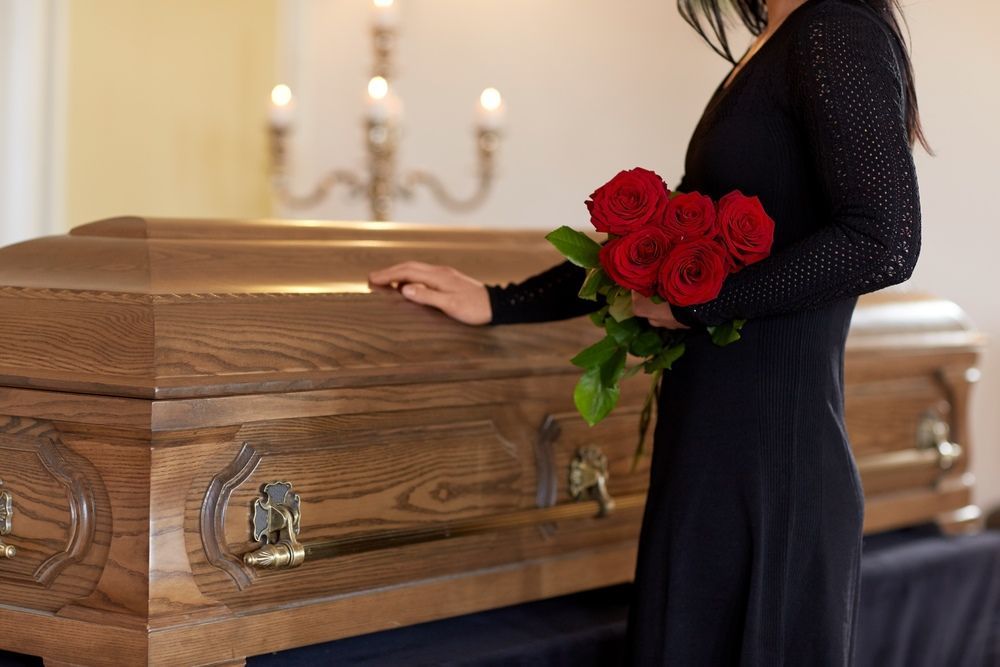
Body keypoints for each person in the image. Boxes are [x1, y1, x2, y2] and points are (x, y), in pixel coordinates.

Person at [369, 0, 925, 663]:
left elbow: (884, 239)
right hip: (709, 446)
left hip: (773, 463)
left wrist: (703, 304)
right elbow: (657, 245)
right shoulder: (774, 39)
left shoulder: (833, 28)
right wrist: (498, 300)